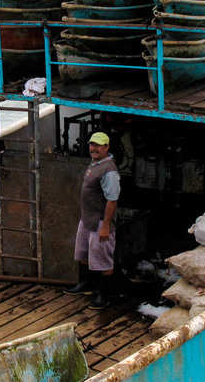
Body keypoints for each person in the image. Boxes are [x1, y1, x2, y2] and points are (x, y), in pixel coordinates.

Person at [64, 131, 120, 309]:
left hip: (100, 221)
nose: (94, 148)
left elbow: (112, 200)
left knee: (103, 259)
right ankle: (85, 284)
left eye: (98, 145)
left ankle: (105, 295)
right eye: (92, 145)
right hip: (87, 219)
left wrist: (105, 226)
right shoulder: (95, 163)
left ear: (106, 147)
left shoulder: (109, 171)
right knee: (82, 254)